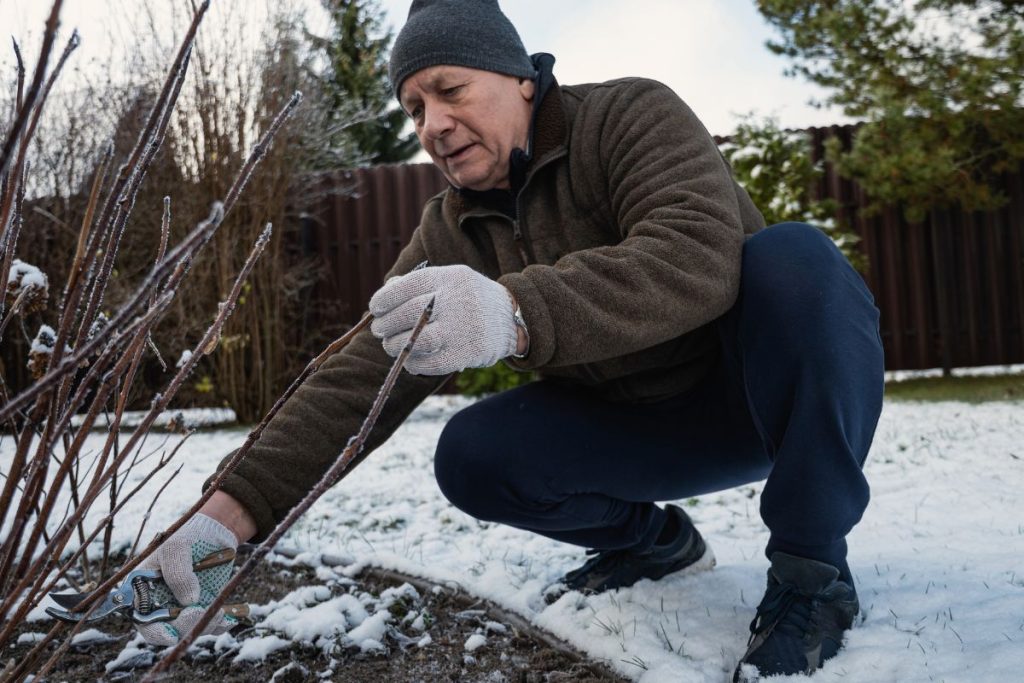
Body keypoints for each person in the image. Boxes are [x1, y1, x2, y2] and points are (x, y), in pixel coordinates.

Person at [137, 1, 884, 679]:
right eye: (414, 107)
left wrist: (513, 312)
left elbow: (695, 255)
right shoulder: (451, 228)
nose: (431, 123)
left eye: (448, 88)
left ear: (521, 78)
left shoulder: (629, 117)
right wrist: (227, 512)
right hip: (643, 434)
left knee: (795, 259)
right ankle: (653, 542)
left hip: (752, 397)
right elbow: (363, 367)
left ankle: (811, 570)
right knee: (473, 454)